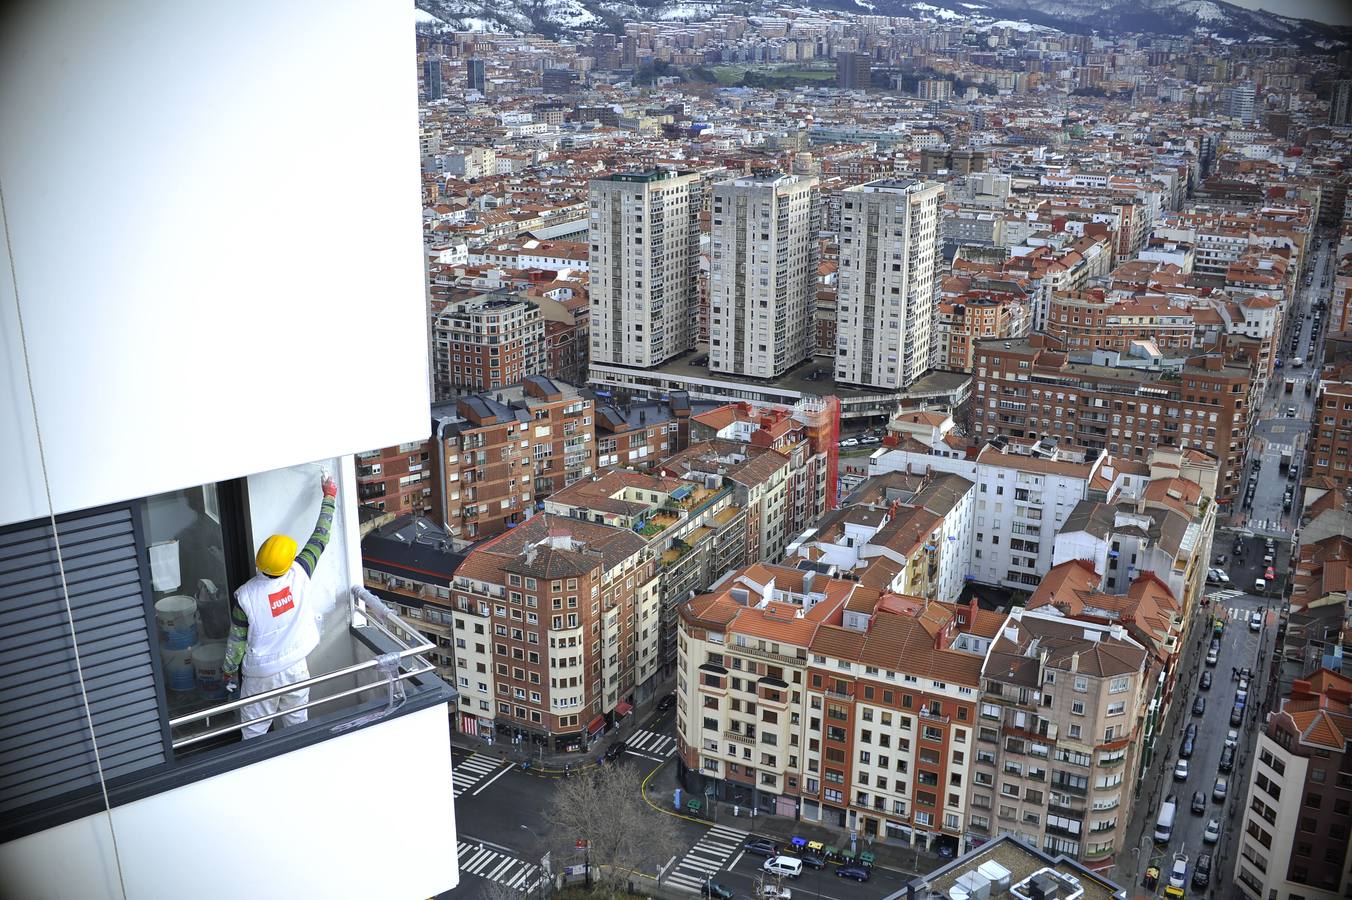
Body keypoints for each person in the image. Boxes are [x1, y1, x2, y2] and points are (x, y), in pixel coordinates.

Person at [224, 471, 337, 739]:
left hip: (261, 676)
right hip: (296, 667)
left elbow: (236, 644)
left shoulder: (245, 597)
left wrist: (228, 672)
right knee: (298, 727)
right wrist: (329, 496)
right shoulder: (301, 571)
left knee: (254, 734)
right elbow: (320, 537)